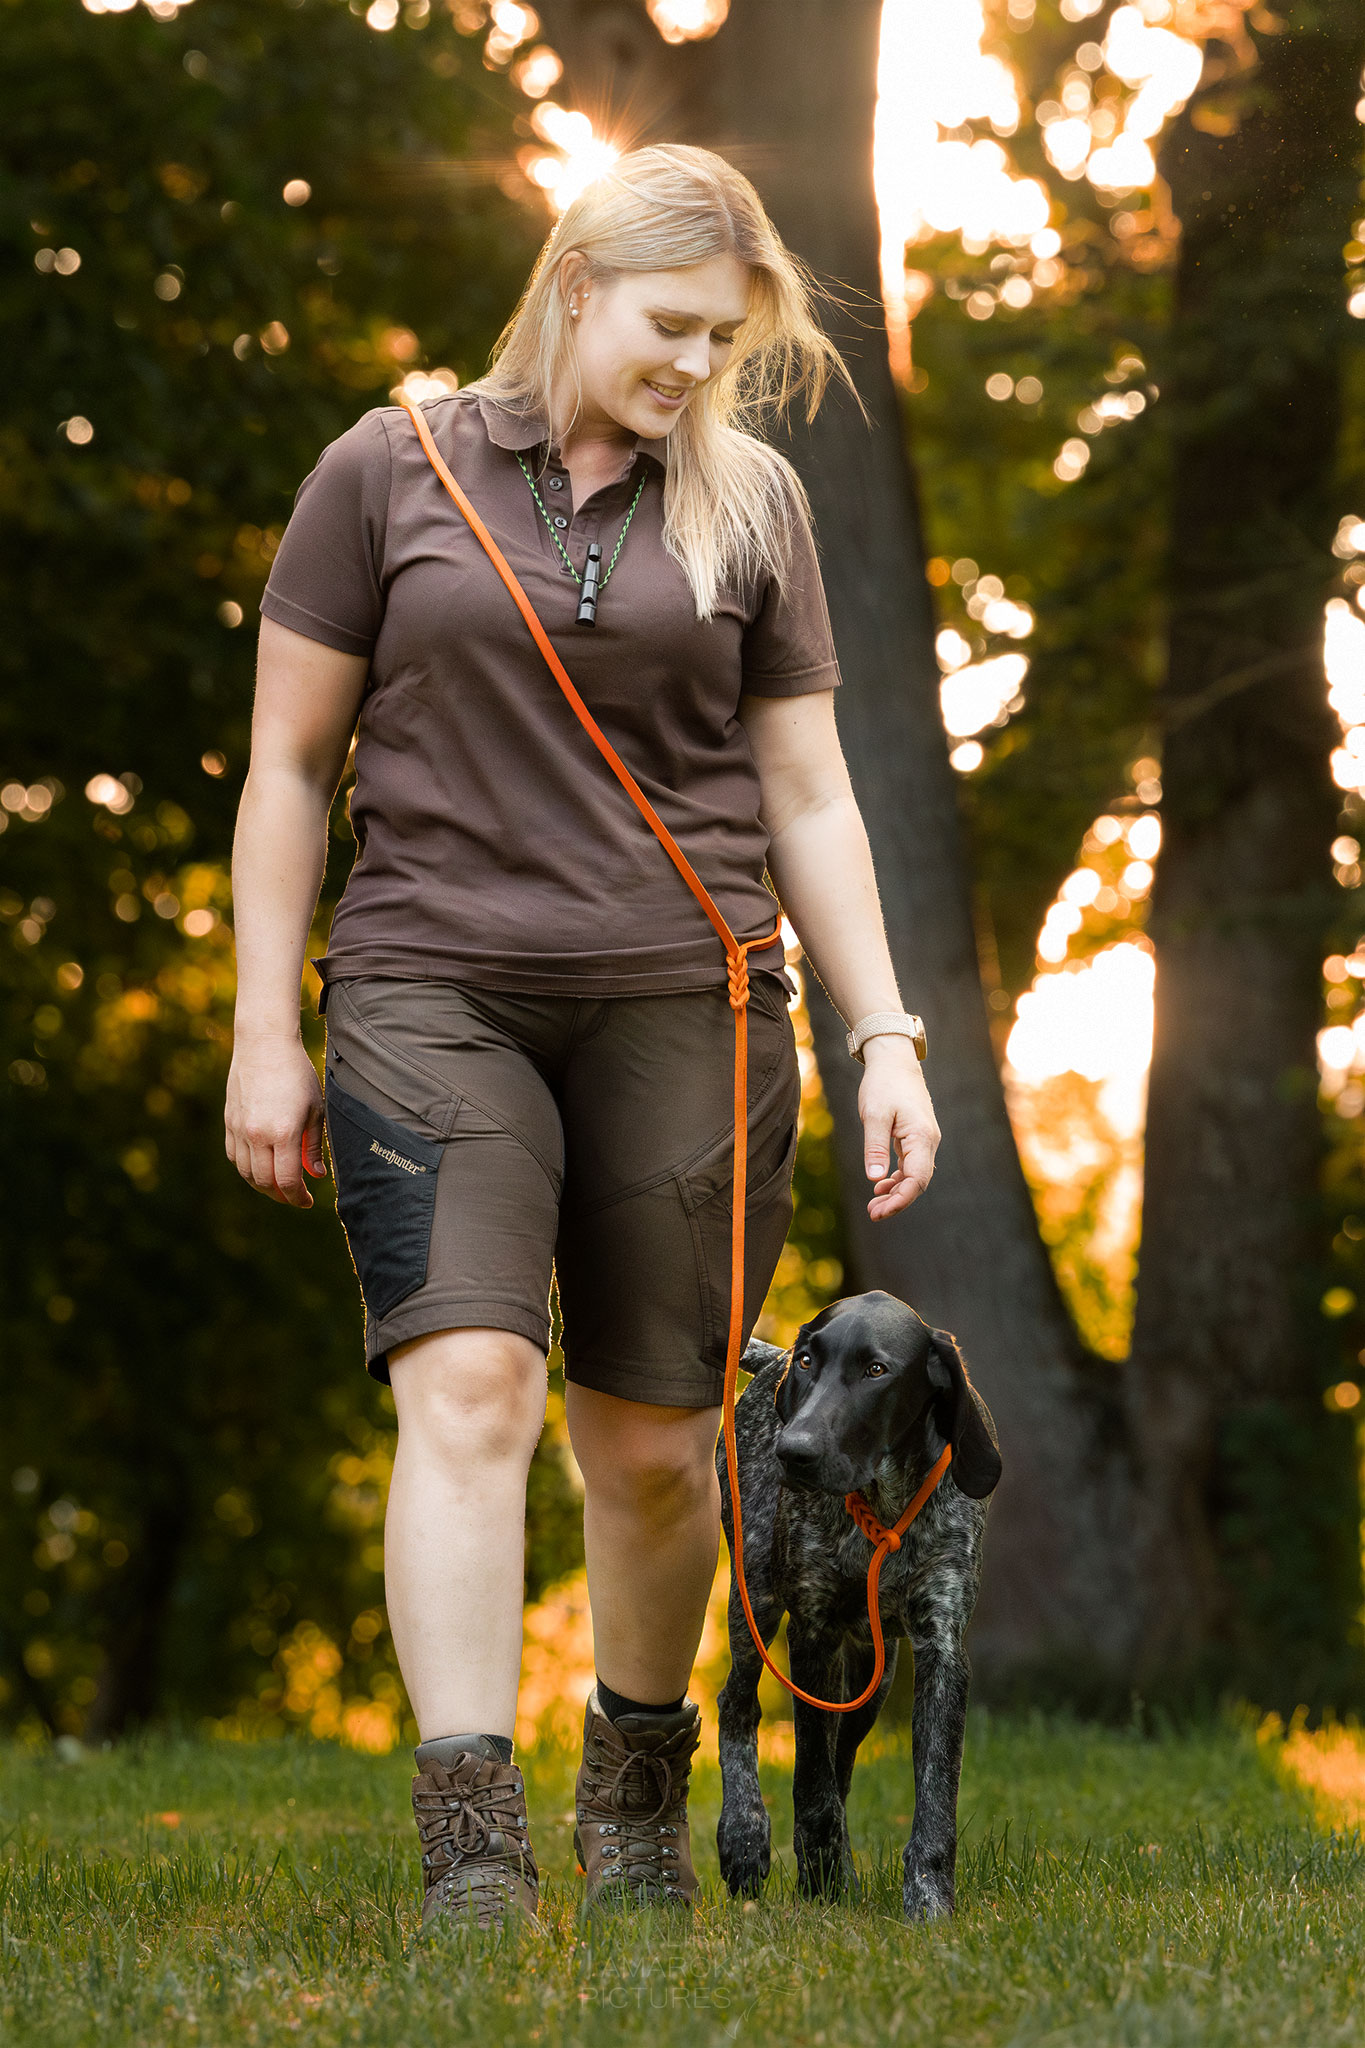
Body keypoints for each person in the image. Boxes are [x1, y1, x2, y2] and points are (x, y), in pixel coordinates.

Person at [224, 143, 940, 1934]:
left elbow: (807, 794)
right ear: (573, 284)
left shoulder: (752, 505)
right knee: (471, 1384)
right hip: (428, 987)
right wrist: (261, 1029)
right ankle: (471, 1840)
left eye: (723, 337)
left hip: (687, 1000)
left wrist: (885, 1032)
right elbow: (288, 768)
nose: (696, 363)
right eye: (670, 324)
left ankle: (633, 1796)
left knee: (653, 1445)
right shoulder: (383, 470)